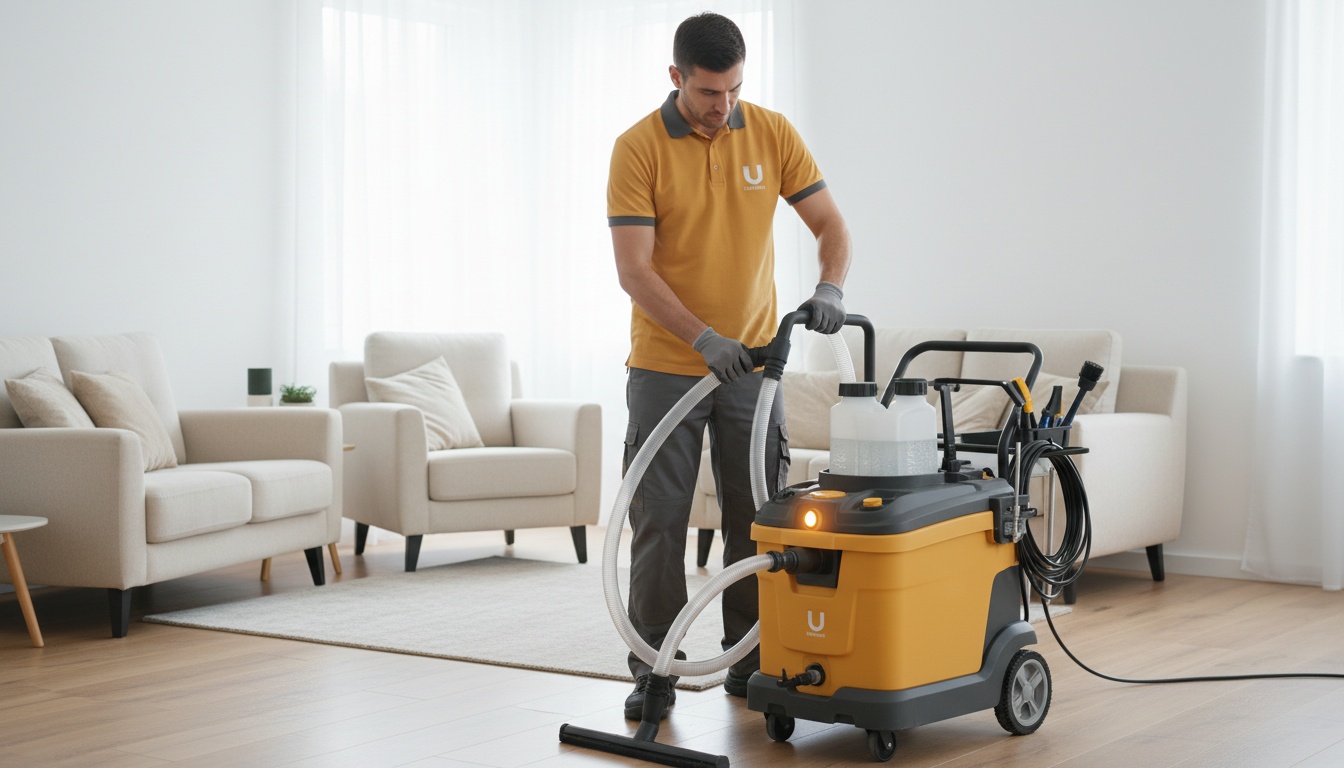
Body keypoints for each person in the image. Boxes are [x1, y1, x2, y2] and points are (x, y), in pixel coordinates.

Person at [607, 11, 851, 720]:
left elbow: (831, 224)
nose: (725, 105)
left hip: (753, 367)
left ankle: (749, 662)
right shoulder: (638, 148)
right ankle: (655, 669)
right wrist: (701, 338)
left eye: (735, 89)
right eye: (710, 92)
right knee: (660, 520)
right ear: (677, 77)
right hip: (666, 369)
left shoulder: (771, 132)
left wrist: (830, 287)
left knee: (758, 518)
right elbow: (634, 270)